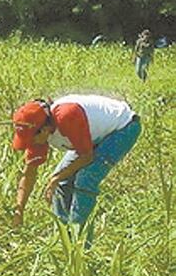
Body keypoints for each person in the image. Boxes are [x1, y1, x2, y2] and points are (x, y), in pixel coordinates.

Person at [10, 95, 141, 242]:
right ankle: (64, 239)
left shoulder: (67, 116)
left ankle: (82, 246)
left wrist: (56, 178)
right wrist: (19, 210)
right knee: (61, 183)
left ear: (45, 130)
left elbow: (87, 156)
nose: (30, 143)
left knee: (85, 179)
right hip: (91, 137)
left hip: (123, 128)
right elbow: (29, 173)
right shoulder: (38, 131)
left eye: (30, 138)